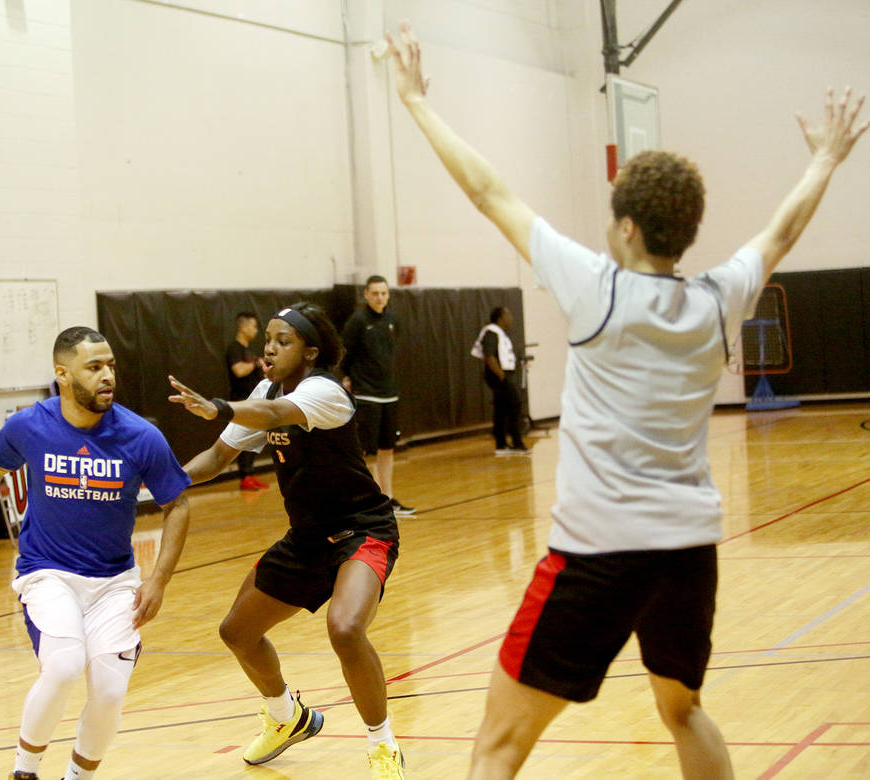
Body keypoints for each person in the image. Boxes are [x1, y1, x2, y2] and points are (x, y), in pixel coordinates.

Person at [386, 21, 867, 780]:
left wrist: (415, 102)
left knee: (498, 744)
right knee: (683, 712)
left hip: (599, 554)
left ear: (629, 226)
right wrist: (828, 159)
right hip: (687, 552)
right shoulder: (719, 299)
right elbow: (781, 232)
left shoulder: (596, 288)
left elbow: (488, 191)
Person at [0, 326, 191, 780]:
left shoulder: (141, 435)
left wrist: (158, 579)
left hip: (115, 582)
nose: (107, 375)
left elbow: (177, 504)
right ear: (62, 375)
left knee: (109, 691)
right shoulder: (31, 425)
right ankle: (24, 771)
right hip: (47, 573)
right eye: (94, 367)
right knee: (64, 665)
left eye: (110, 365)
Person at [168, 302, 405, 779]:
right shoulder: (266, 389)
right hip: (308, 538)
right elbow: (216, 458)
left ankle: (384, 746)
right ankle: (286, 718)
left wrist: (219, 405)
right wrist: (156, 484)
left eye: (283, 340)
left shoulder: (325, 392)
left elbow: (276, 412)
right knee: (236, 631)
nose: (269, 348)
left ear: (311, 352)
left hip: (362, 530)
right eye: (267, 340)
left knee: (344, 628)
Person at [341, 275, 415, 516]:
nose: (380, 298)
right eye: (375, 294)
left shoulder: (393, 319)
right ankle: (360, 500)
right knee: (362, 450)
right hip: (367, 395)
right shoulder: (358, 321)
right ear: (366, 294)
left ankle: (387, 498)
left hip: (389, 394)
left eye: (383, 293)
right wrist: (347, 377)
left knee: (387, 448)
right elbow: (344, 354)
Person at [471, 307, 529, 456]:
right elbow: (489, 356)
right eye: (508, 314)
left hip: (503, 374)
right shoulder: (491, 332)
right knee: (514, 405)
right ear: (500, 318)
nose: (511, 317)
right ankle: (517, 443)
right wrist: (501, 375)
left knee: (501, 409)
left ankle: (501, 445)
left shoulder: (500, 333)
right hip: (498, 375)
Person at [225, 311, 269, 491]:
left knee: (253, 439)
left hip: (253, 402)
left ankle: (251, 473)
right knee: (242, 439)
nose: (256, 330)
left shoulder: (248, 350)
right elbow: (238, 370)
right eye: (253, 326)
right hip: (240, 402)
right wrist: (255, 364)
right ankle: (244, 475)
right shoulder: (234, 349)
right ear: (243, 327)